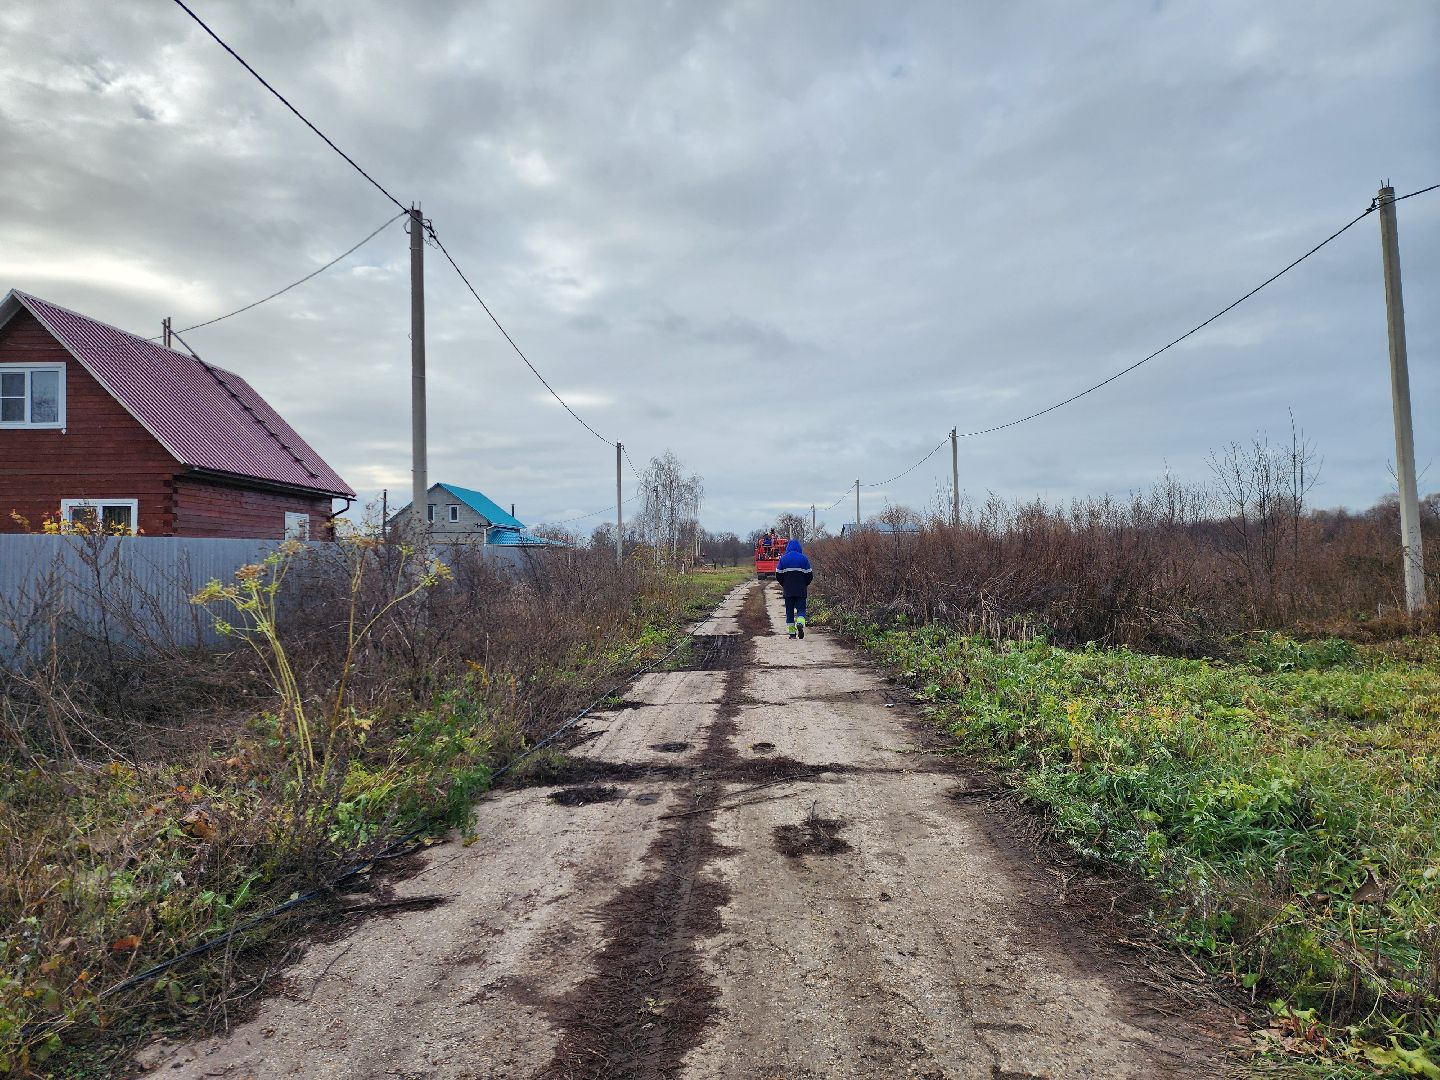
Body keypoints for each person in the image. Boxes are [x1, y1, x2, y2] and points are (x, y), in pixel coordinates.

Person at [773, 538, 814, 639]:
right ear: (799, 548)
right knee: (801, 609)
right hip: (801, 590)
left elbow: (778, 574)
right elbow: (809, 575)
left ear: (788, 548)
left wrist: (784, 584)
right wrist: (805, 584)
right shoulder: (804, 559)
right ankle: (800, 623)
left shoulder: (783, 559)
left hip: (788, 591)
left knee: (789, 612)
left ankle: (792, 634)